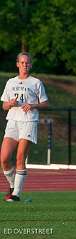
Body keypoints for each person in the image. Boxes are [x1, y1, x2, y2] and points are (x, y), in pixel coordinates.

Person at [1, 52, 49, 202]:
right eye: (22, 63)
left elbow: (45, 103)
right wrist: (10, 104)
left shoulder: (35, 82)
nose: (25, 65)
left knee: (20, 157)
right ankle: (12, 185)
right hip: (13, 122)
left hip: (28, 122)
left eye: (27, 63)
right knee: (4, 158)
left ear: (31, 65)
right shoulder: (10, 82)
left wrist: (33, 105)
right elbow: (4, 105)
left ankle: (16, 194)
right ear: (17, 64)